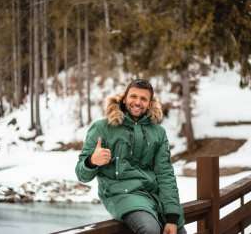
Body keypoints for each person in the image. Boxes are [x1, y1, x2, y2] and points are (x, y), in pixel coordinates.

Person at [75, 79, 186, 234]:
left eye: (143, 99)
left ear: (149, 104)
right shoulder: (102, 128)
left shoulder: (158, 133)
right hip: (121, 193)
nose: (137, 102)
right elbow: (82, 175)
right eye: (133, 96)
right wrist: (92, 161)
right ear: (124, 98)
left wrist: (173, 217)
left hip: (153, 196)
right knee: (150, 230)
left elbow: (165, 174)